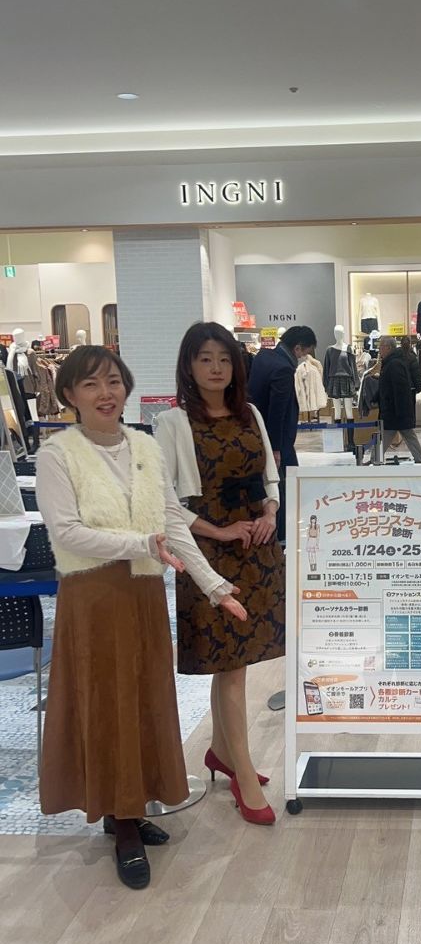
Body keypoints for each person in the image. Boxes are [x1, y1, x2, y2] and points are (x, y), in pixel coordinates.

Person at [36, 345, 247, 890]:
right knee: (105, 703)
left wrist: (215, 586)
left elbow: (172, 522)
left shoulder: (145, 447)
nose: (105, 393)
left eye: (113, 381)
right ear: (69, 395)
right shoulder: (58, 454)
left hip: (144, 596)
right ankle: (123, 822)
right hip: (92, 598)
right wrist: (141, 543)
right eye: (90, 384)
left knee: (142, 700)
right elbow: (67, 531)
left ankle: (126, 807)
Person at [156, 322, 286, 827]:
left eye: (224, 359)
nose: (215, 368)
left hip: (257, 549)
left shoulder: (250, 412)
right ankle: (244, 775)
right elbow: (166, 502)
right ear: (189, 366)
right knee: (230, 663)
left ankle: (221, 752)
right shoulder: (172, 423)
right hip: (208, 552)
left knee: (236, 662)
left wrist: (270, 512)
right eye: (205, 358)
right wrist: (219, 531)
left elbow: (270, 475)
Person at [247, 325, 317, 541]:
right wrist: (276, 448)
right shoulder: (284, 369)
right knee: (286, 485)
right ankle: (285, 533)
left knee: (279, 483)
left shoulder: (263, 356)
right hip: (277, 441)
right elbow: (277, 412)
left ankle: (284, 530)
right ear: (297, 348)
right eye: (304, 353)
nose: (303, 359)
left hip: (257, 433)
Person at [378, 337, 421, 463]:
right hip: (396, 410)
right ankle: (420, 459)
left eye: (381, 346)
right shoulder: (393, 362)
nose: (379, 349)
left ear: (388, 348)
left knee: (393, 435)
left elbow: (399, 389)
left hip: (395, 410)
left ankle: (375, 458)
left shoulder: (394, 364)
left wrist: (400, 410)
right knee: (405, 435)